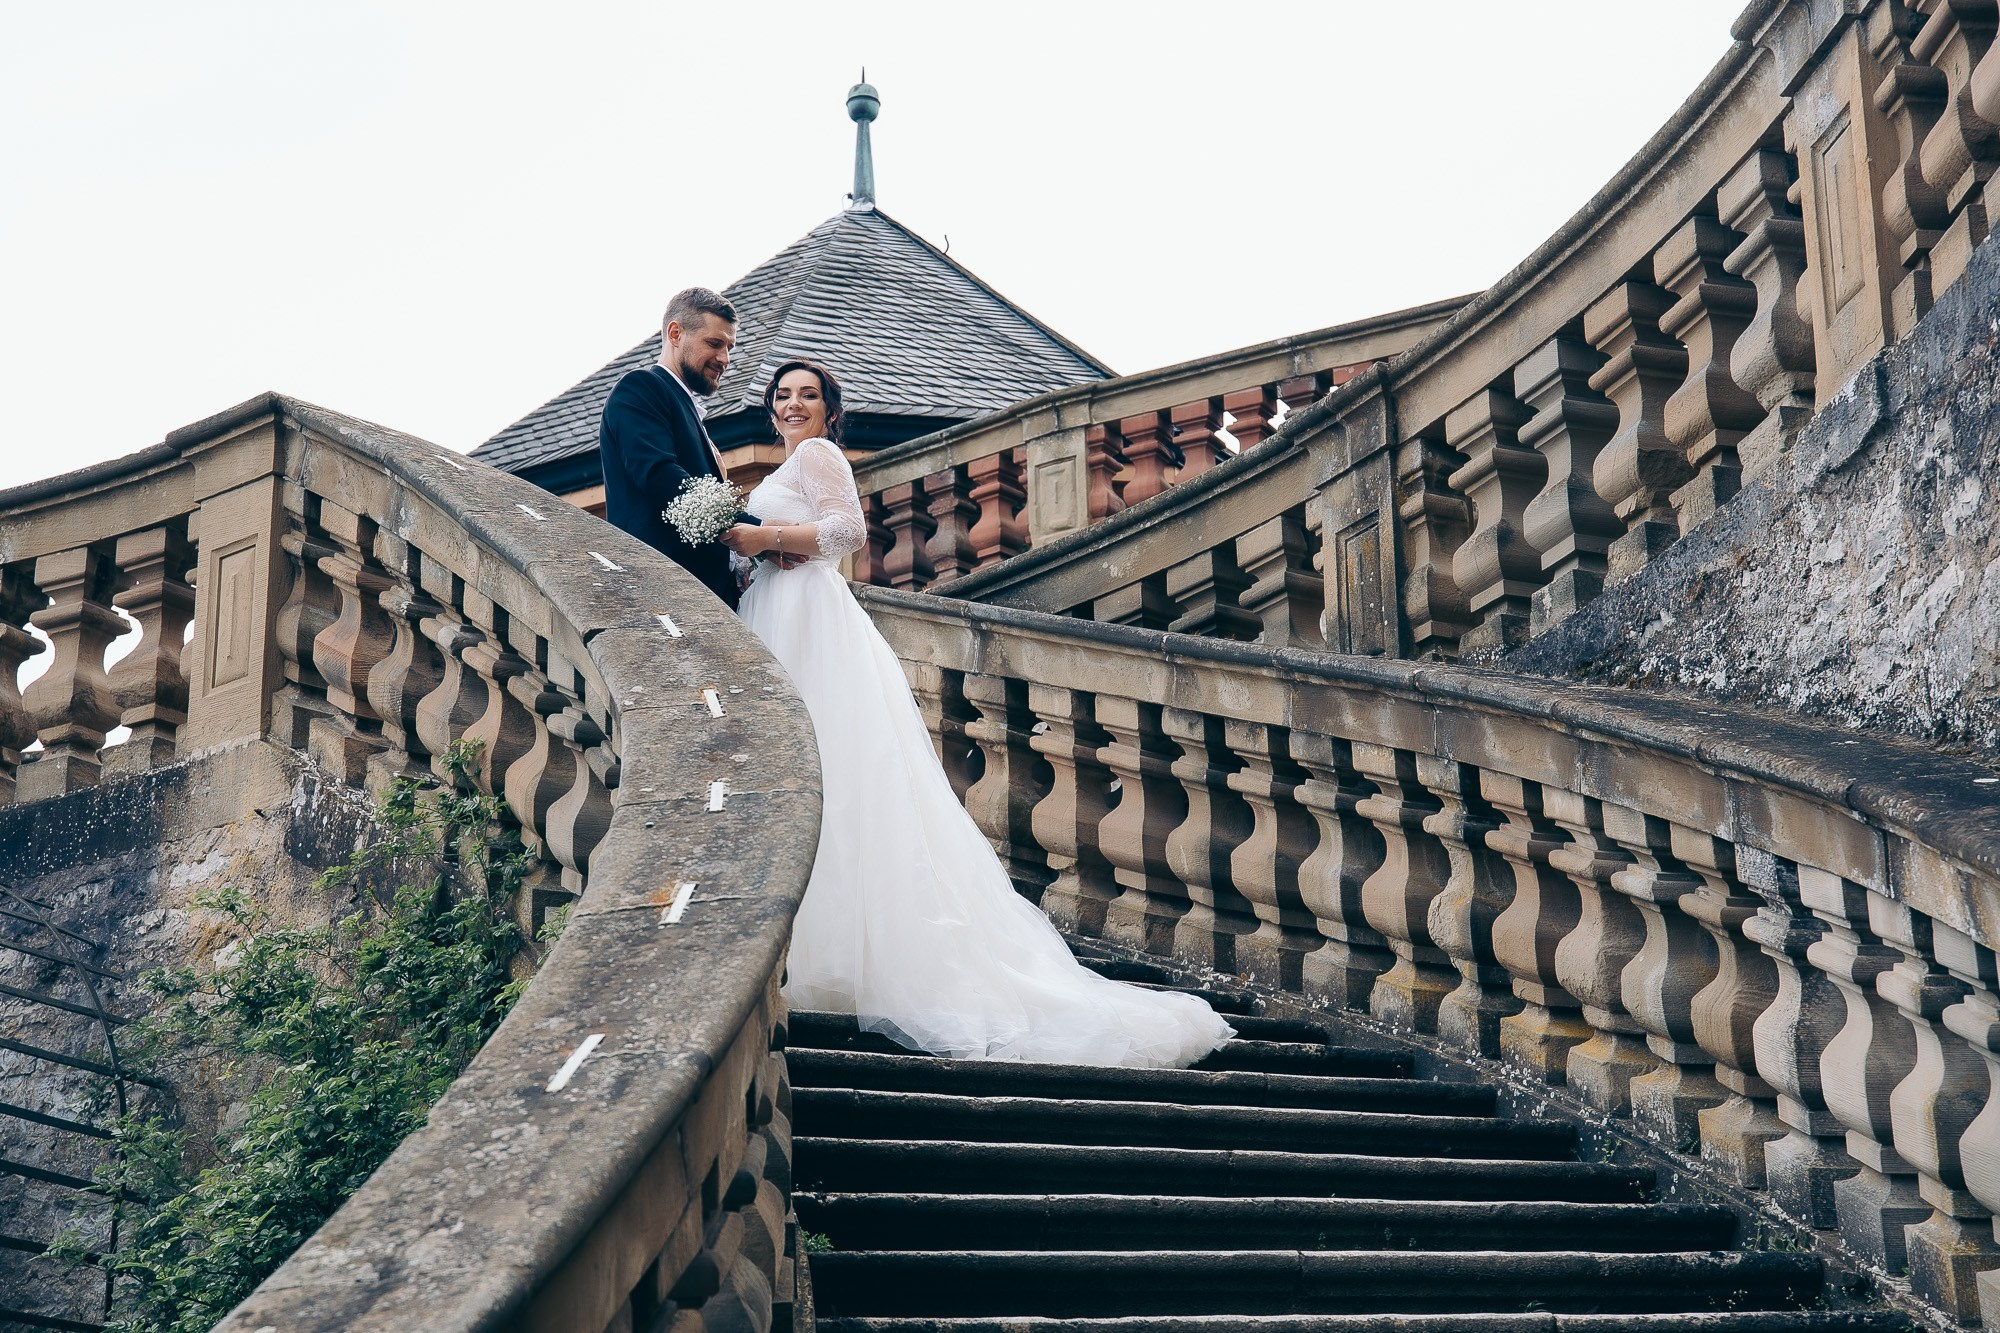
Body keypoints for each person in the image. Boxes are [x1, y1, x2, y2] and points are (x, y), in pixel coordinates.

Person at [721, 360, 1234, 1068]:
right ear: (770, 409)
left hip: (813, 621)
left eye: (808, 394)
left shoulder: (818, 454)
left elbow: (847, 532)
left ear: (828, 409)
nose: (794, 404)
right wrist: (747, 560)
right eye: (783, 395)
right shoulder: (782, 469)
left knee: (839, 777)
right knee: (819, 783)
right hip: (780, 615)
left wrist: (761, 541)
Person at [599, 287, 741, 608]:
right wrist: (754, 530)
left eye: (730, 347)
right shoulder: (640, 388)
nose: (725, 359)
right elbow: (661, 477)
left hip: (705, 598)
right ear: (675, 333)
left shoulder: (687, 407)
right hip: (663, 596)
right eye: (715, 344)